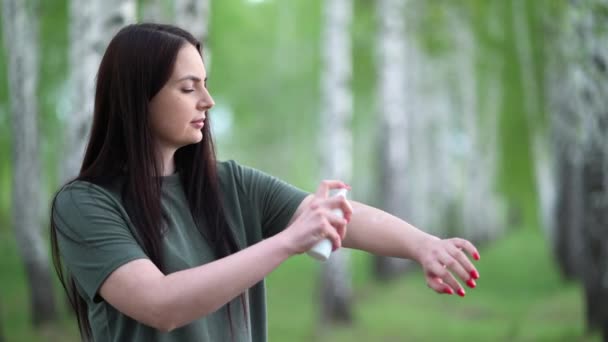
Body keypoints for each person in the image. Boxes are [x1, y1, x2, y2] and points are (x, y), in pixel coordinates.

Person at [50, 23, 481, 342]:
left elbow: (336, 218)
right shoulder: (86, 205)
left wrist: (424, 245)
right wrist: (287, 242)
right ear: (137, 95)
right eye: (188, 88)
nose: (208, 101)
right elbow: (161, 305)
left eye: (206, 84)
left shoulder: (230, 184)